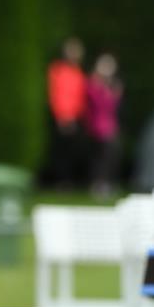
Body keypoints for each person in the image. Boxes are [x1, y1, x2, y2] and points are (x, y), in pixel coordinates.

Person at [46, 37, 87, 187]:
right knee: (60, 152)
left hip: (75, 119)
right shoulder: (57, 70)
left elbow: (80, 97)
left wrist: (75, 116)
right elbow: (55, 95)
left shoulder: (79, 73)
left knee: (72, 152)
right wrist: (61, 116)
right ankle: (60, 182)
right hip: (61, 118)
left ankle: (69, 181)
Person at [85, 53, 123, 198]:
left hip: (111, 127)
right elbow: (98, 104)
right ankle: (99, 184)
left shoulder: (112, 86)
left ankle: (107, 183)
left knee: (112, 156)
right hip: (98, 127)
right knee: (101, 157)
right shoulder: (93, 84)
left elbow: (114, 106)